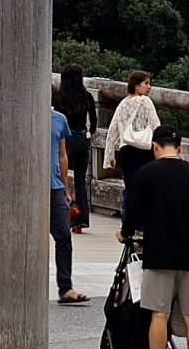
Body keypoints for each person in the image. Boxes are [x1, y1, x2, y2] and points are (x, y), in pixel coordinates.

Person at [119, 126, 189, 349]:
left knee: (159, 315)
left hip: (159, 254)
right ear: (180, 148)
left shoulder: (146, 174)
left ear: (155, 147)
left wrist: (125, 233)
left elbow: (133, 212)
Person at [50, 98, 90, 305]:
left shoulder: (59, 119)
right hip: (26, 188)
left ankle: (65, 287)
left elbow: (62, 154)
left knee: (64, 236)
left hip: (54, 187)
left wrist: (66, 188)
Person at [103, 70, 161, 191]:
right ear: (136, 85)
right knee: (147, 188)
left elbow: (112, 132)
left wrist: (109, 157)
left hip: (126, 151)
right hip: (144, 150)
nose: (149, 87)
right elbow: (156, 125)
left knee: (130, 188)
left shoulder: (122, 104)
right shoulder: (145, 101)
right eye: (146, 83)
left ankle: (127, 210)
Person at [54, 65, 95, 232]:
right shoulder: (87, 96)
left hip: (65, 140)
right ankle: (83, 219)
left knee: (63, 178)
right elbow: (94, 121)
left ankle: (70, 213)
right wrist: (89, 134)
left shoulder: (59, 98)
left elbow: (56, 120)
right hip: (81, 139)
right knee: (80, 181)